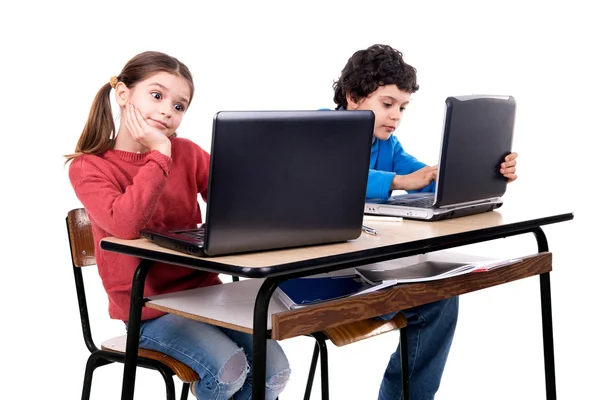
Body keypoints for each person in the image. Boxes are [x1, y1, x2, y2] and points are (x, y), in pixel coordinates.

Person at [65, 51, 290, 400]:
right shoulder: (89, 167)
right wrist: (159, 154)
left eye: (180, 106)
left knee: (274, 371)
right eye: (157, 96)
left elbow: (241, 203)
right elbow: (125, 225)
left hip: (206, 294)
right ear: (123, 94)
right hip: (149, 308)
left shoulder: (188, 152)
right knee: (228, 369)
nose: (168, 110)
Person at [331, 44, 518, 400]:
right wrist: (398, 183)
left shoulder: (387, 143)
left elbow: (425, 175)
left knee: (442, 296)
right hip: (318, 272)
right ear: (353, 96)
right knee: (436, 294)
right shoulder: (319, 130)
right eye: (387, 104)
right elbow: (332, 175)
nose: (396, 116)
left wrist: (487, 170)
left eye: (402, 107)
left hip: (363, 261)